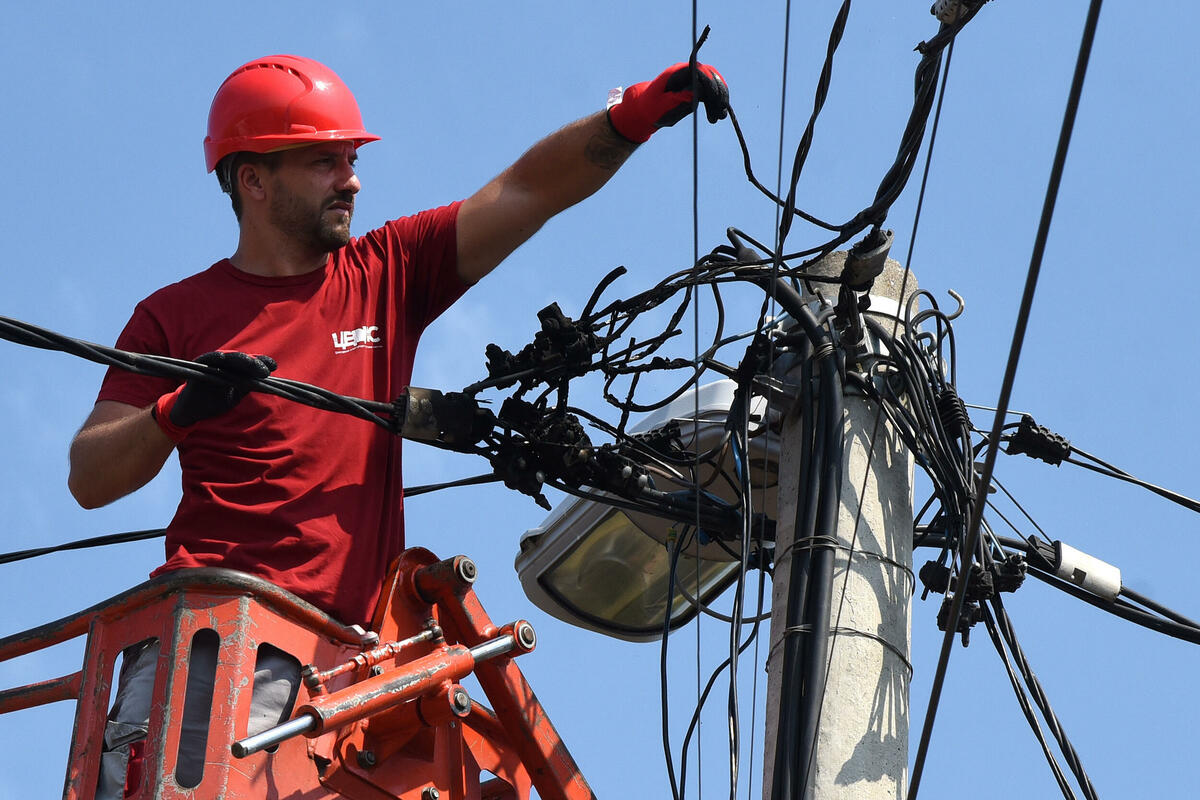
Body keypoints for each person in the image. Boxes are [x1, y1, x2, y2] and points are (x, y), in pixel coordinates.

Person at [67, 53, 729, 796]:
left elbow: (527, 190)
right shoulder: (174, 316)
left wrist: (631, 115)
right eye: (324, 162)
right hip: (217, 645)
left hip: (350, 674)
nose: (351, 179)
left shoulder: (385, 275)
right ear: (253, 180)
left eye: (351, 159)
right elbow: (90, 475)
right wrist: (177, 409)